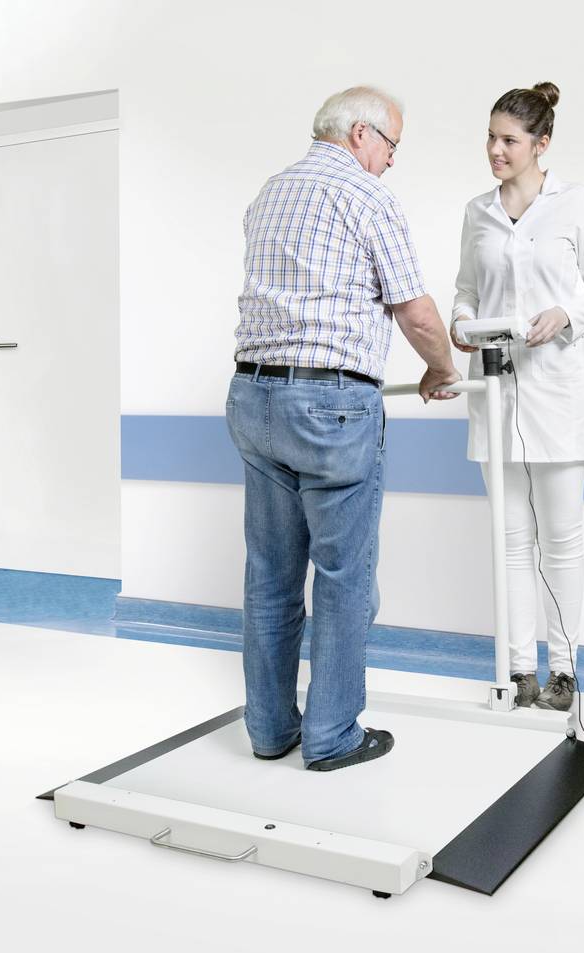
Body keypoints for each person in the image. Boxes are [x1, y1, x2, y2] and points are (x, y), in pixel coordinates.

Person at [229, 86, 461, 771]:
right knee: (343, 577)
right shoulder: (367, 197)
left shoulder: (268, 193)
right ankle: (331, 736)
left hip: (254, 396)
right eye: (391, 147)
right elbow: (415, 311)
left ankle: (270, 730)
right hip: (331, 407)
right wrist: (441, 368)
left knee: (270, 575)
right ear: (362, 135)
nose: (390, 162)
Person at [452, 82, 584, 712]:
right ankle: (520, 670)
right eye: (491, 137)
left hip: (556, 389)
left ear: (541, 144)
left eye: (509, 140)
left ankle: (565, 670)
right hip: (496, 390)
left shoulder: (576, 203)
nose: (495, 149)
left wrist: (565, 314)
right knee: (510, 538)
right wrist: (460, 323)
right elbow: (466, 291)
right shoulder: (478, 212)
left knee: (563, 539)